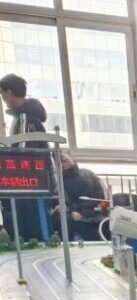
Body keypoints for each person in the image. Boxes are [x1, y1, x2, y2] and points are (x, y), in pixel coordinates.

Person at [0, 73, 48, 242]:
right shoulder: (22, 117)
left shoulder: (25, 118)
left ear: (9, 91)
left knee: (31, 235)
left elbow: (22, 156)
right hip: (30, 186)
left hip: (29, 187)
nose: (2, 98)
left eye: (2, 93)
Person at [52, 155, 107, 242]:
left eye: (64, 159)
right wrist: (73, 210)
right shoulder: (60, 180)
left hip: (97, 211)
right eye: (61, 161)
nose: (64, 162)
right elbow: (66, 198)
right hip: (80, 215)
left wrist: (103, 207)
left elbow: (101, 194)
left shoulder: (88, 173)